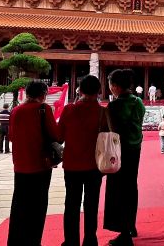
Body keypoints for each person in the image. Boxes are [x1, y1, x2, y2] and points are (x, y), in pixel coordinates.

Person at [7, 81, 60, 246]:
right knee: (38, 206)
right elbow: (55, 134)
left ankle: (15, 241)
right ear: (43, 94)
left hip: (21, 164)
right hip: (40, 165)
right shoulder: (44, 109)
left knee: (19, 205)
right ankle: (33, 241)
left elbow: (11, 136)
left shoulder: (16, 111)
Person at [59, 75, 107, 246]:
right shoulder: (102, 112)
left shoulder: (69, 110)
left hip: (72, 164)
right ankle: (90, 240)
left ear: (79, 90)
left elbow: (58, 136)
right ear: (99, 91)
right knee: (91, 204)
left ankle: (71, 241)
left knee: (71, 204)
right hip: (95, 166)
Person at [104, 69, 146, 246]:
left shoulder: (114, 106)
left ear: (115, 86)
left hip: (119, 151)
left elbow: (111, 131)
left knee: (118, 190)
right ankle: (131, 225)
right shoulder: (138, 102)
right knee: (131, 186)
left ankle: (124, 233)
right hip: (135, 148)